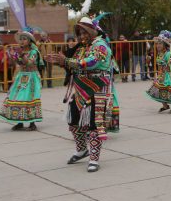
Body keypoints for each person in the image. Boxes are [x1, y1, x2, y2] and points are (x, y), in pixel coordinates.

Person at [46, 16, 119, 173]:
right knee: (73, 120)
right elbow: (74, 64)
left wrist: (67, 61)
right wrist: (60, 61)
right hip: (81, 90)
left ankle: (94, 158)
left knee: (94, 124)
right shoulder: (81, 47)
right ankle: (81, 150)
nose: (82, 36)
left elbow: (92, 62)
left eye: (84, 32)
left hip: (98, 90)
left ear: (92, 31)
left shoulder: (101, 46)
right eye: (79, 33)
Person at [0, 29, 43, 131]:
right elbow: (19, 63)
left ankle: (32, 123)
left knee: (29, 98)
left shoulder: (34, 51)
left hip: (32, 78)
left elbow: (30, 63)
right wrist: (13, 55)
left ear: (30, 41)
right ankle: (19, 122)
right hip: (21, 77)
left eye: (24, 39)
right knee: (18, 97)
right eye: (21, 39)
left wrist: (21, 54)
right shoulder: (21, 51)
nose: (22, 41)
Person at [146, 30, 171, 113]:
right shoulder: (160, 53)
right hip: (162, 74)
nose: (158, 45)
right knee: (158, 89)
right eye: (157, 44)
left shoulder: (169, 53)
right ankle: (165, 106)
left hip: (169, 75)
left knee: (170, 90)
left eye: (160, 44)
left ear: (165, 45)